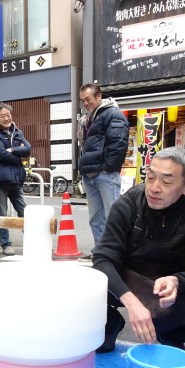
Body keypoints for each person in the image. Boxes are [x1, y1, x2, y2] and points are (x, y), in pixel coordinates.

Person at [92, 148, 185, 353]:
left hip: (165, 281)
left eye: (166, 182)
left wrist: (178, 281)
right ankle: (110, 321)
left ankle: (168, 332)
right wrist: (131, 302)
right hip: (127, 276)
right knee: (84, 289)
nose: (154, 188)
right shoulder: (128, 203)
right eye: (150, 177)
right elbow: (103, 258)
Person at [78, 83, 129, 261]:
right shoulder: (89, 117)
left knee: (113, 217)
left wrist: (109, 167)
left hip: (105, 173)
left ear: (99, 96)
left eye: (88, 99)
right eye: (82, 100)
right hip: (91, 173)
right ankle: (101, 253)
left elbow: (118, 143)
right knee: (96, 218)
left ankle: (117, 254)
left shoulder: (113, 114)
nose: (85, 103)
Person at [0, 102, 31, 255]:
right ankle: (6, 244)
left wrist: (13, 149)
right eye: (3, 116)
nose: (7, 118)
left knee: (25, 212)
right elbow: (0, 153)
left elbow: (28, 148)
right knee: (2, 213)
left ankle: (31, 240)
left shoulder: (17, 132)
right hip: (0, 179)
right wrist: (17, 157)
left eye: (8, 115)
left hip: (16, 179)